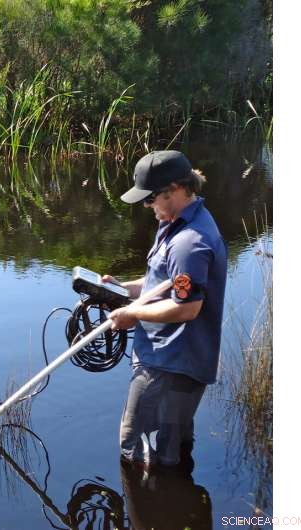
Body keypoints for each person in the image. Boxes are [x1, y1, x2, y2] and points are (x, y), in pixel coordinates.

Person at [104, 150, 227, 469]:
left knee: (138, 452)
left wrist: (132, 314)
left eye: (150, 198)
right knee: (171, 451)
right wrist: (122, 290)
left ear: (174, 189)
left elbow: (187, 308)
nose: (146, 206)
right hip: (170, 360)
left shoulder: (189, 242)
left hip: (170, 366)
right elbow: (165, 281)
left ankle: (151, 513)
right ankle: (180, 507)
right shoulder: (177, 221)